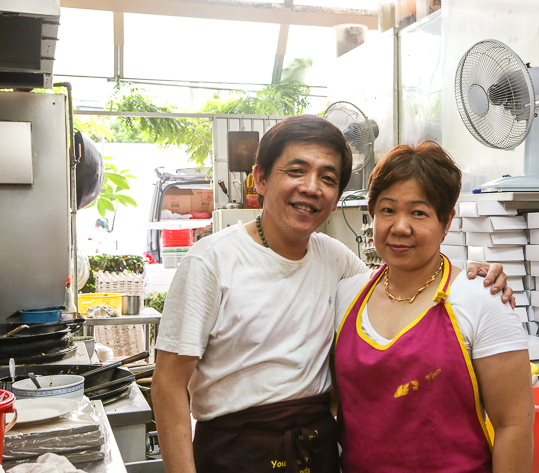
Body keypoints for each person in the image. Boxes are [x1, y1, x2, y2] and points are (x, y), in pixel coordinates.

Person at [152, 116, 514, 473]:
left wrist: (471, 272)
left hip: (317, 449)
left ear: (338, 195)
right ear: (260, 178)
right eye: (296, 170)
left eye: (327, 178)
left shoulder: (335, 259)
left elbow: (403, 277)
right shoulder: (210, 262)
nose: (311, 187)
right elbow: (169, 384)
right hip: (235, 454)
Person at [334, 142, 534, 472]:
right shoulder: (346, 295)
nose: (400, 227)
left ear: (446, 221)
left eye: (418, 212)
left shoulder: (481, 300)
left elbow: (514, 425)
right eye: (387, 210)